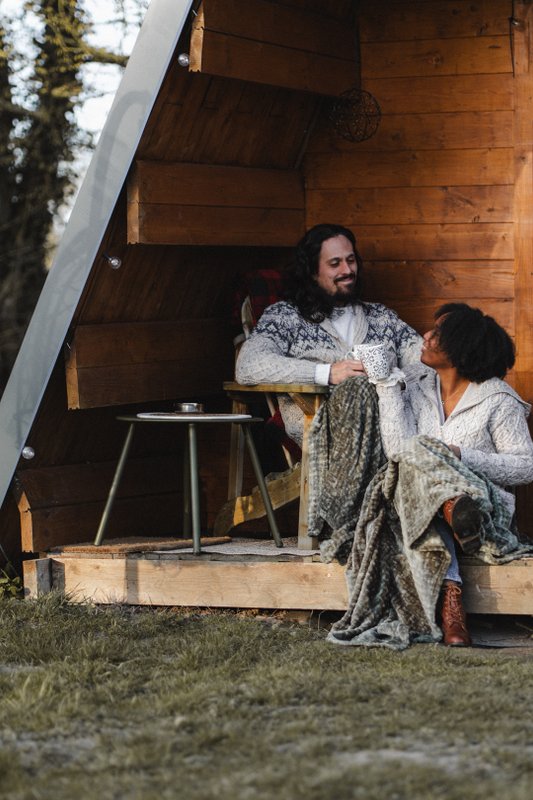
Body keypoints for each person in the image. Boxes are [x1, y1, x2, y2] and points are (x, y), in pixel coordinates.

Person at [372, 303, 533, 646]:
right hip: (432, 509)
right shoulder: (416, 387)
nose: (426, 336)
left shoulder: (498, 401)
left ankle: (452, 507)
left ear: (461, 348)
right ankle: (452, 596)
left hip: (483, 512)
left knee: (425, 465)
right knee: (415, 459)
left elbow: (526, 466)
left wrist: (462, 456)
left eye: (438, 334)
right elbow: (398, 452)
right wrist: (386, 385)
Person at [235, 223, 422, 446]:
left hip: (390, 431)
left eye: (351, 260)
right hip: (322, 435)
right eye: (335, 264)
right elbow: (248, 365)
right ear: (313, 272)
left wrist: (396, 380)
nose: (347, 270)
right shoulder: (285, 317)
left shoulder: (381, 317)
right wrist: (327, 373)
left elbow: (427, 362)